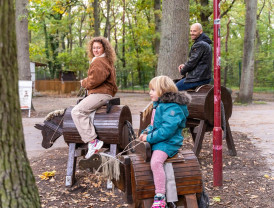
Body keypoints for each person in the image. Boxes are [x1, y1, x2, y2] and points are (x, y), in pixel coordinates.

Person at [139, 76, 191, 208]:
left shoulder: (172, 108)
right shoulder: (160, 105)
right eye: (150, 89)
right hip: (161, 139)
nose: (150, 92)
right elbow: (154, 125)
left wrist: (149, 138)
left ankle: (160, 196)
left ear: (163, 90)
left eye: (153, 89)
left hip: (168, 142)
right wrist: (146, 132)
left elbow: (167, 130)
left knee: (156, 162)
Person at [71, 37, 117, 159]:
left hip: (100, 93)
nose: (96, 50)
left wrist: (83, 83)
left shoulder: (99, 61)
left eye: (98, 47)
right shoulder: (105, 60)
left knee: (77, 111)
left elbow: (94, 80)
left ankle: (93, 141)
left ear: (104, 48)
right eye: (94, 48)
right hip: (103, 92)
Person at [176, 23, 212, 91]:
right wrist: (184, 65)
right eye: (191, 31)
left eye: (194, 31)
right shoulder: (205, 43)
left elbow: (192, 63)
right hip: (203, 77)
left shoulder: (199, 44)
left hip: (198, 78)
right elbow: (197, 61)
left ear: (200, 31)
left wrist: (182, 71)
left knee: (173, 90)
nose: (192, 33)